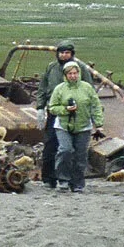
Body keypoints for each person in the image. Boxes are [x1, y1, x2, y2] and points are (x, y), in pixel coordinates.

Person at [35, 40, 94, 189]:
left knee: (75, 149)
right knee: (51, 145)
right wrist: (40, 108)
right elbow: (43, 88)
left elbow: (90, 91)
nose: (64, 55)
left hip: (77, 114)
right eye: (61, 52)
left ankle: (73, 181)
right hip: (55, 111)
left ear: (72, 54)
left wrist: (92, 114)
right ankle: (49, 179)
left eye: (67, 52)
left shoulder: (81, 68)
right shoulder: (51, 67)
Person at [47, 60, 104, 193]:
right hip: (63, 125)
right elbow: (52, 107)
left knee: (80, 155)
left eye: (75, 73)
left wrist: (99, 124)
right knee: (65, 150)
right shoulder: (59, 89)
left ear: (79, 73)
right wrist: (66, 109)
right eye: (70, 74)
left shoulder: (87, 88)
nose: (73, 76)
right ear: (65, 75)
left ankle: (78, 183)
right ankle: (63, 179)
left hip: (83, 126)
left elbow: (95, 106)